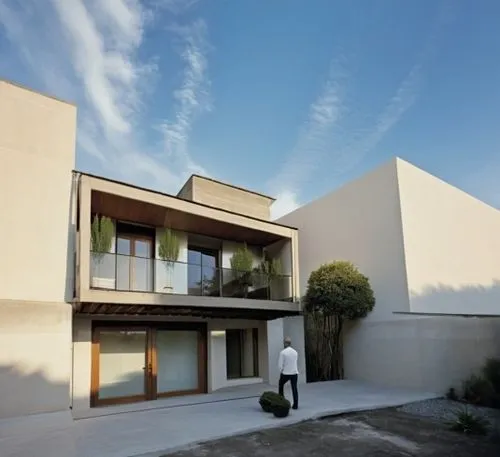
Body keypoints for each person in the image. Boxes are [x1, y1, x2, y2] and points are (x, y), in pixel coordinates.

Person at [278, 336, 299, 410]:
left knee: (281, 385)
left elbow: (280, 365)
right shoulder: (295, 352)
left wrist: (281, 372)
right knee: (294, 388)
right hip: (294, 373)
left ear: (285, 343)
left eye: (284, 343)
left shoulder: (283, 352)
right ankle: (295, 405)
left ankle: (281, 402)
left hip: (286, 373)